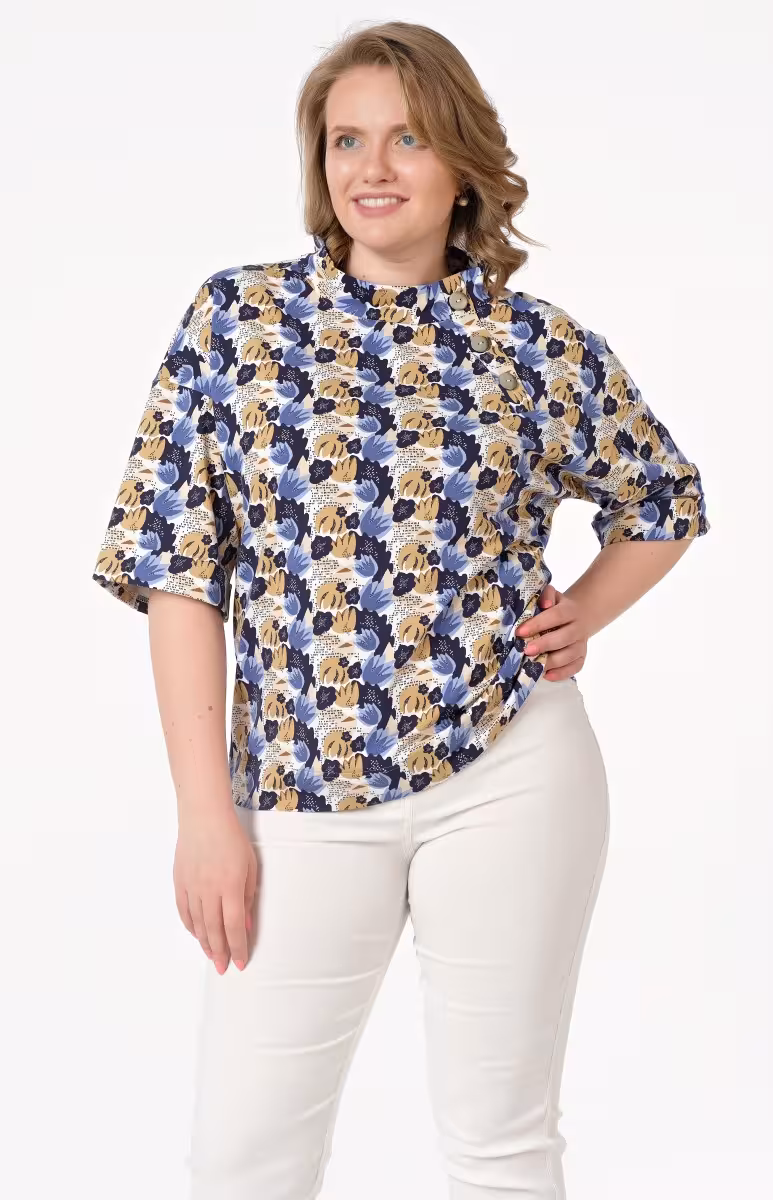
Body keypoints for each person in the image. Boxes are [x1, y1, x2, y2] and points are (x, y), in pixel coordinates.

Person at [91, 20, 711, 1200]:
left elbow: (664, 499)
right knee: (241, 1157)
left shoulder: (535, 347)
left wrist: (582, 612)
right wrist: (204, 815)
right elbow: (176, 571)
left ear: (461, 164)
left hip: (510, 771)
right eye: (346, 141)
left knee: (499, 1145)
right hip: (295, 788)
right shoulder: (237, 321)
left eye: (407, 139)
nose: (371, 168)